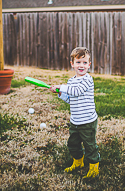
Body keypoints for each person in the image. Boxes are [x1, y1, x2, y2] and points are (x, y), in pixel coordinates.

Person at [50, 47, 100, 179]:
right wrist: (60, 93)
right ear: (72, 64)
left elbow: (76, 91)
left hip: (88, 121)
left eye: (84, 62)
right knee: (73, 143)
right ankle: (78, 162)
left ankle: (94, 166)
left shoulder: (87, 80)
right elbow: (70, 98)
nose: (81, 65)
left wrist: (61, 86)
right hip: (75, 121)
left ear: (89, 65)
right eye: (78, 62)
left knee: (90, 145)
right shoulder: (71, 81)